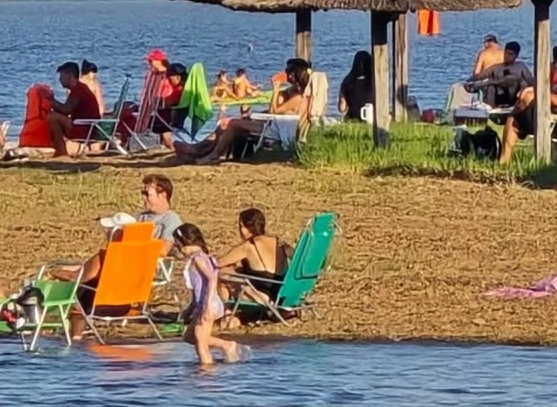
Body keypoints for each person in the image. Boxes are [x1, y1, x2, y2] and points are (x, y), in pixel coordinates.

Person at [51, 175, 182, 338]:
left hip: (145, 266)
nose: (143, 198)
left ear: (163, 195)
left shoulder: (170, 219)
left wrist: (135, 251)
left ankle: (76, 275)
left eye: (147, 193)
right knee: (88, 284)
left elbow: (163, 250)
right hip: (125, 263)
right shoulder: (142, 217)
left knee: (101, 260)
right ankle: (76, 337)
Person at [181, 58, 310, 164]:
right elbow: (274, 111)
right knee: (226, 123)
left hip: (275, 130)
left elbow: (274, 111)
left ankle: (212, 156)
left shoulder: (298, 97)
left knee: (233, 124)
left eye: (288, 71)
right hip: (272, 124)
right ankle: (201, 149)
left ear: (294, 74)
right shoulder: (293, 92)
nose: (286, 75)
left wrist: (276, 89)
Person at [174, 223, 240, 365]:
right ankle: (226, 345)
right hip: (202, 303)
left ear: (185, 243)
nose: (178, 250)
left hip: (209, 303)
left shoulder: (199, 259)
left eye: (178, 245)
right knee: (189, 337)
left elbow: (212, 278)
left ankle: (206, 370)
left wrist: (208, 305)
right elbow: (198, 287)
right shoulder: (200, 258)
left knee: (201, 342)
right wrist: (190, 308)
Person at [216, 208, 290, 305]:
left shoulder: (249, 246)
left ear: (243, 226)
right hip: (282, 291)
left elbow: (219, 263)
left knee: (222, 273)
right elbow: (294, 256)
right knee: (240, 270)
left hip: (263, 295)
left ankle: (226, 309)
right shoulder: (278, 242)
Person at [46, 62, 102, 157]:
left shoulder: (79, 91)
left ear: (71, 76)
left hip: (86, 128)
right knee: (53, 115)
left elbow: (65, 110)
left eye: (62, 76)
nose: (60, 80)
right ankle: (59, 149)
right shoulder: (78, 88)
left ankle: (61, 150)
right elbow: (65, 110)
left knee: (52, 118)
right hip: (88, 126)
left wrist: (51, 101)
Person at [467, 41, 534, 108]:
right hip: (499, 98)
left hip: (515, 97)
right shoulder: (497, 68)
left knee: (521, 82)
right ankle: (490, 109)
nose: (507, 56)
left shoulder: (520, 67)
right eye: (506, 53)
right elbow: (480, 76)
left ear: (516, 56)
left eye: (510, 54)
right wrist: (471, 80)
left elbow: (530, 81)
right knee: (491, 86)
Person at [337, 51, 374, 120]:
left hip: (353, 117)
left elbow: (342, 108)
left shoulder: (347, 81)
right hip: (373, 117)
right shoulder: (375, 81)